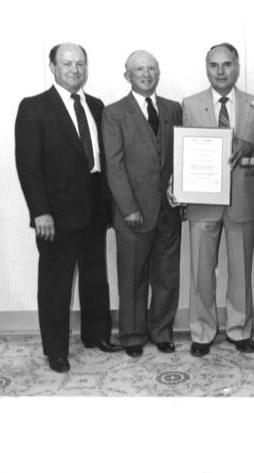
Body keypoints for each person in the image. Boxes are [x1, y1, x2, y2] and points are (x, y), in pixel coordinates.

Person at [15, 43, 121, 373]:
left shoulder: (96, 105)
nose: (74, 70)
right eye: (67, 63)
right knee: (55, 284)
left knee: (95, 277)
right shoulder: (34, 107)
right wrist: (39, 211)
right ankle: (56, 350)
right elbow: (28, 166)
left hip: (94, 206)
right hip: (56, 213)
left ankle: (96, 335)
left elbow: (103, 159)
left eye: (79, 64)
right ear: (52, 66)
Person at [181, 43, 254, 358]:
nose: (221, 71)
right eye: (214, 65)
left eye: (227, 65)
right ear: (206, 68)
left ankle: (239, 330)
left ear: (237, 66)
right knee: (201, 272)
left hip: (243, 198)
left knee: (241, 270)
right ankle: (202, 332)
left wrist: (252, 149)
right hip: (202, 200)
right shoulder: (189, 104)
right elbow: (184, 155)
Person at [102, 50, 183, 358]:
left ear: (158, 73)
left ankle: (161, 331)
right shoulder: (114, 113)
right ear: (127, 76)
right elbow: (114, 164)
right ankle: (132, 335)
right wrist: (128, 207)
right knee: (133, 275)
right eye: (139, 69)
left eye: (151, 68)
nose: (146, 74)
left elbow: (182, 156)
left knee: (167, 274)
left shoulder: (173, 109)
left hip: (169, 209)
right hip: (132, 212)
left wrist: (184, 192)